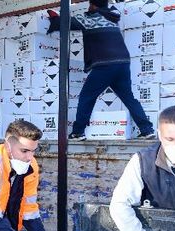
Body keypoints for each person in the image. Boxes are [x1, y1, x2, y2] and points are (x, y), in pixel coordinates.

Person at [46, 0, 155, 141]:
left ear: (93, 5)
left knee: (87, 97)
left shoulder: (89, 18)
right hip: (123, 64)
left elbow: (65, 23)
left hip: (105, 65)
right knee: (129, 98)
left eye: (90, 4)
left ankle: (78, 132)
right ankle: (147, 130)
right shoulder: (111, 19)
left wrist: (53, 17)